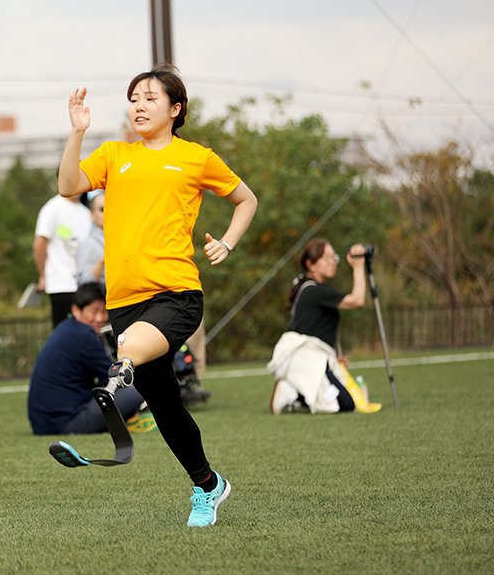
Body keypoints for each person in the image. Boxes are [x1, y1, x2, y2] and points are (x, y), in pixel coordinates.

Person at [57, 63, 258, 527]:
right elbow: (68, 186)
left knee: (128, 350)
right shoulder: (113, 154)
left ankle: (116, 376)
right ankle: (209, 485)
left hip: (176, 294)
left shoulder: (197, 157)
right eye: (134, 98)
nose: (139, 105)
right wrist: (77, 132)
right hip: (125, 302)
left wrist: (226, 241)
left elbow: (246, 199)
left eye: (150, 97)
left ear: (175, 108)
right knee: (167, 409)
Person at [267, 240, 381, 414]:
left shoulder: (314, 289)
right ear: (311, 265)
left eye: (333, 257)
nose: (332, 262)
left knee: (347, 400)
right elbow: (357, 300)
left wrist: (331, 358)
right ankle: (290, 393)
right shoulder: (314, 290)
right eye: (326, 258)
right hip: (304, 358)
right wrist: (358, 267)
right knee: (343, 403)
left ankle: (294, 388)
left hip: (312, 357)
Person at [28, 283, 149, 435]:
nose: (100, 318)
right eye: (94, 311)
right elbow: (115, 378)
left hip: (44, 424)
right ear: (76, 310)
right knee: (139, 391)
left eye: (104, 312)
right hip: (65, 424)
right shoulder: (84, 336)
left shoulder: (67, 328)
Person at [33, 184, 91, 328]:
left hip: (86, 284)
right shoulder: (53, 208)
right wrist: (43, 274)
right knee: (65, 332)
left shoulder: (86, 211)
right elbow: (40, 243)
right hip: (61, 285)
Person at [75, 190, 105, 286]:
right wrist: (102, 261)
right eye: (102, 209)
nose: (108, 212)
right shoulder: (89, 243)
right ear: (92, 215)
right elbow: (83, 282)